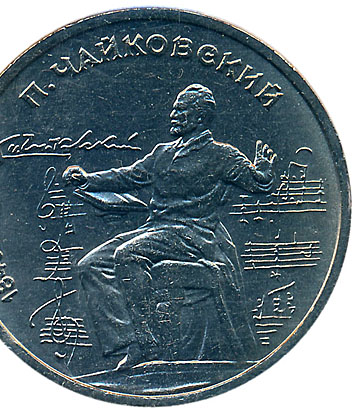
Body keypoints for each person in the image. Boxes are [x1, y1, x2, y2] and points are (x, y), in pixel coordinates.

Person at [63, 84, 276, 369]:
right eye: (174, 110)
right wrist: (88, 179)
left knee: (127, 254)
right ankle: (129, 341)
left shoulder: (222, 155)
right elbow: (129, 176)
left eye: (181, 111)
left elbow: (259, 183)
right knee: (90, 265)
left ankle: (149, 345)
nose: (173, 116)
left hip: (193, 234)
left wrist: (264, 169)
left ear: (200, 117)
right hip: (156, 230)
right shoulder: (162, 152)